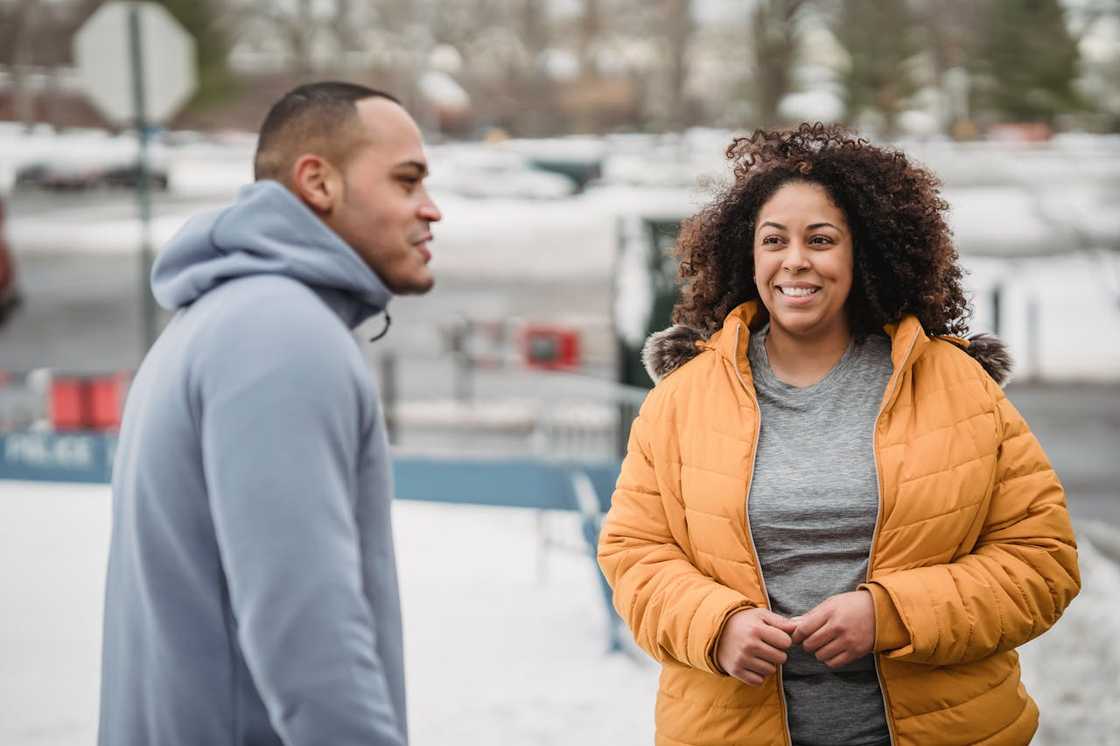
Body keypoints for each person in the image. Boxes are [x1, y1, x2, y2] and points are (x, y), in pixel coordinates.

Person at [598, 123, 1080, 746]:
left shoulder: (959, 387)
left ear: (866, 253)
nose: (794, 260)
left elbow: (1042, 561)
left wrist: (892, 614)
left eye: (821, 240)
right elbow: (635, 554)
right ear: (749, 254)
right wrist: (715, 626)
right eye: (774, 240)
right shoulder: (683, 399)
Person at [98, 82, 441, 746]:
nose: (432, 210)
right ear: (318, 182)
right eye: (406, 182)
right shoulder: (281, 333)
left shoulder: (219, 318)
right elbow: (306, 627)